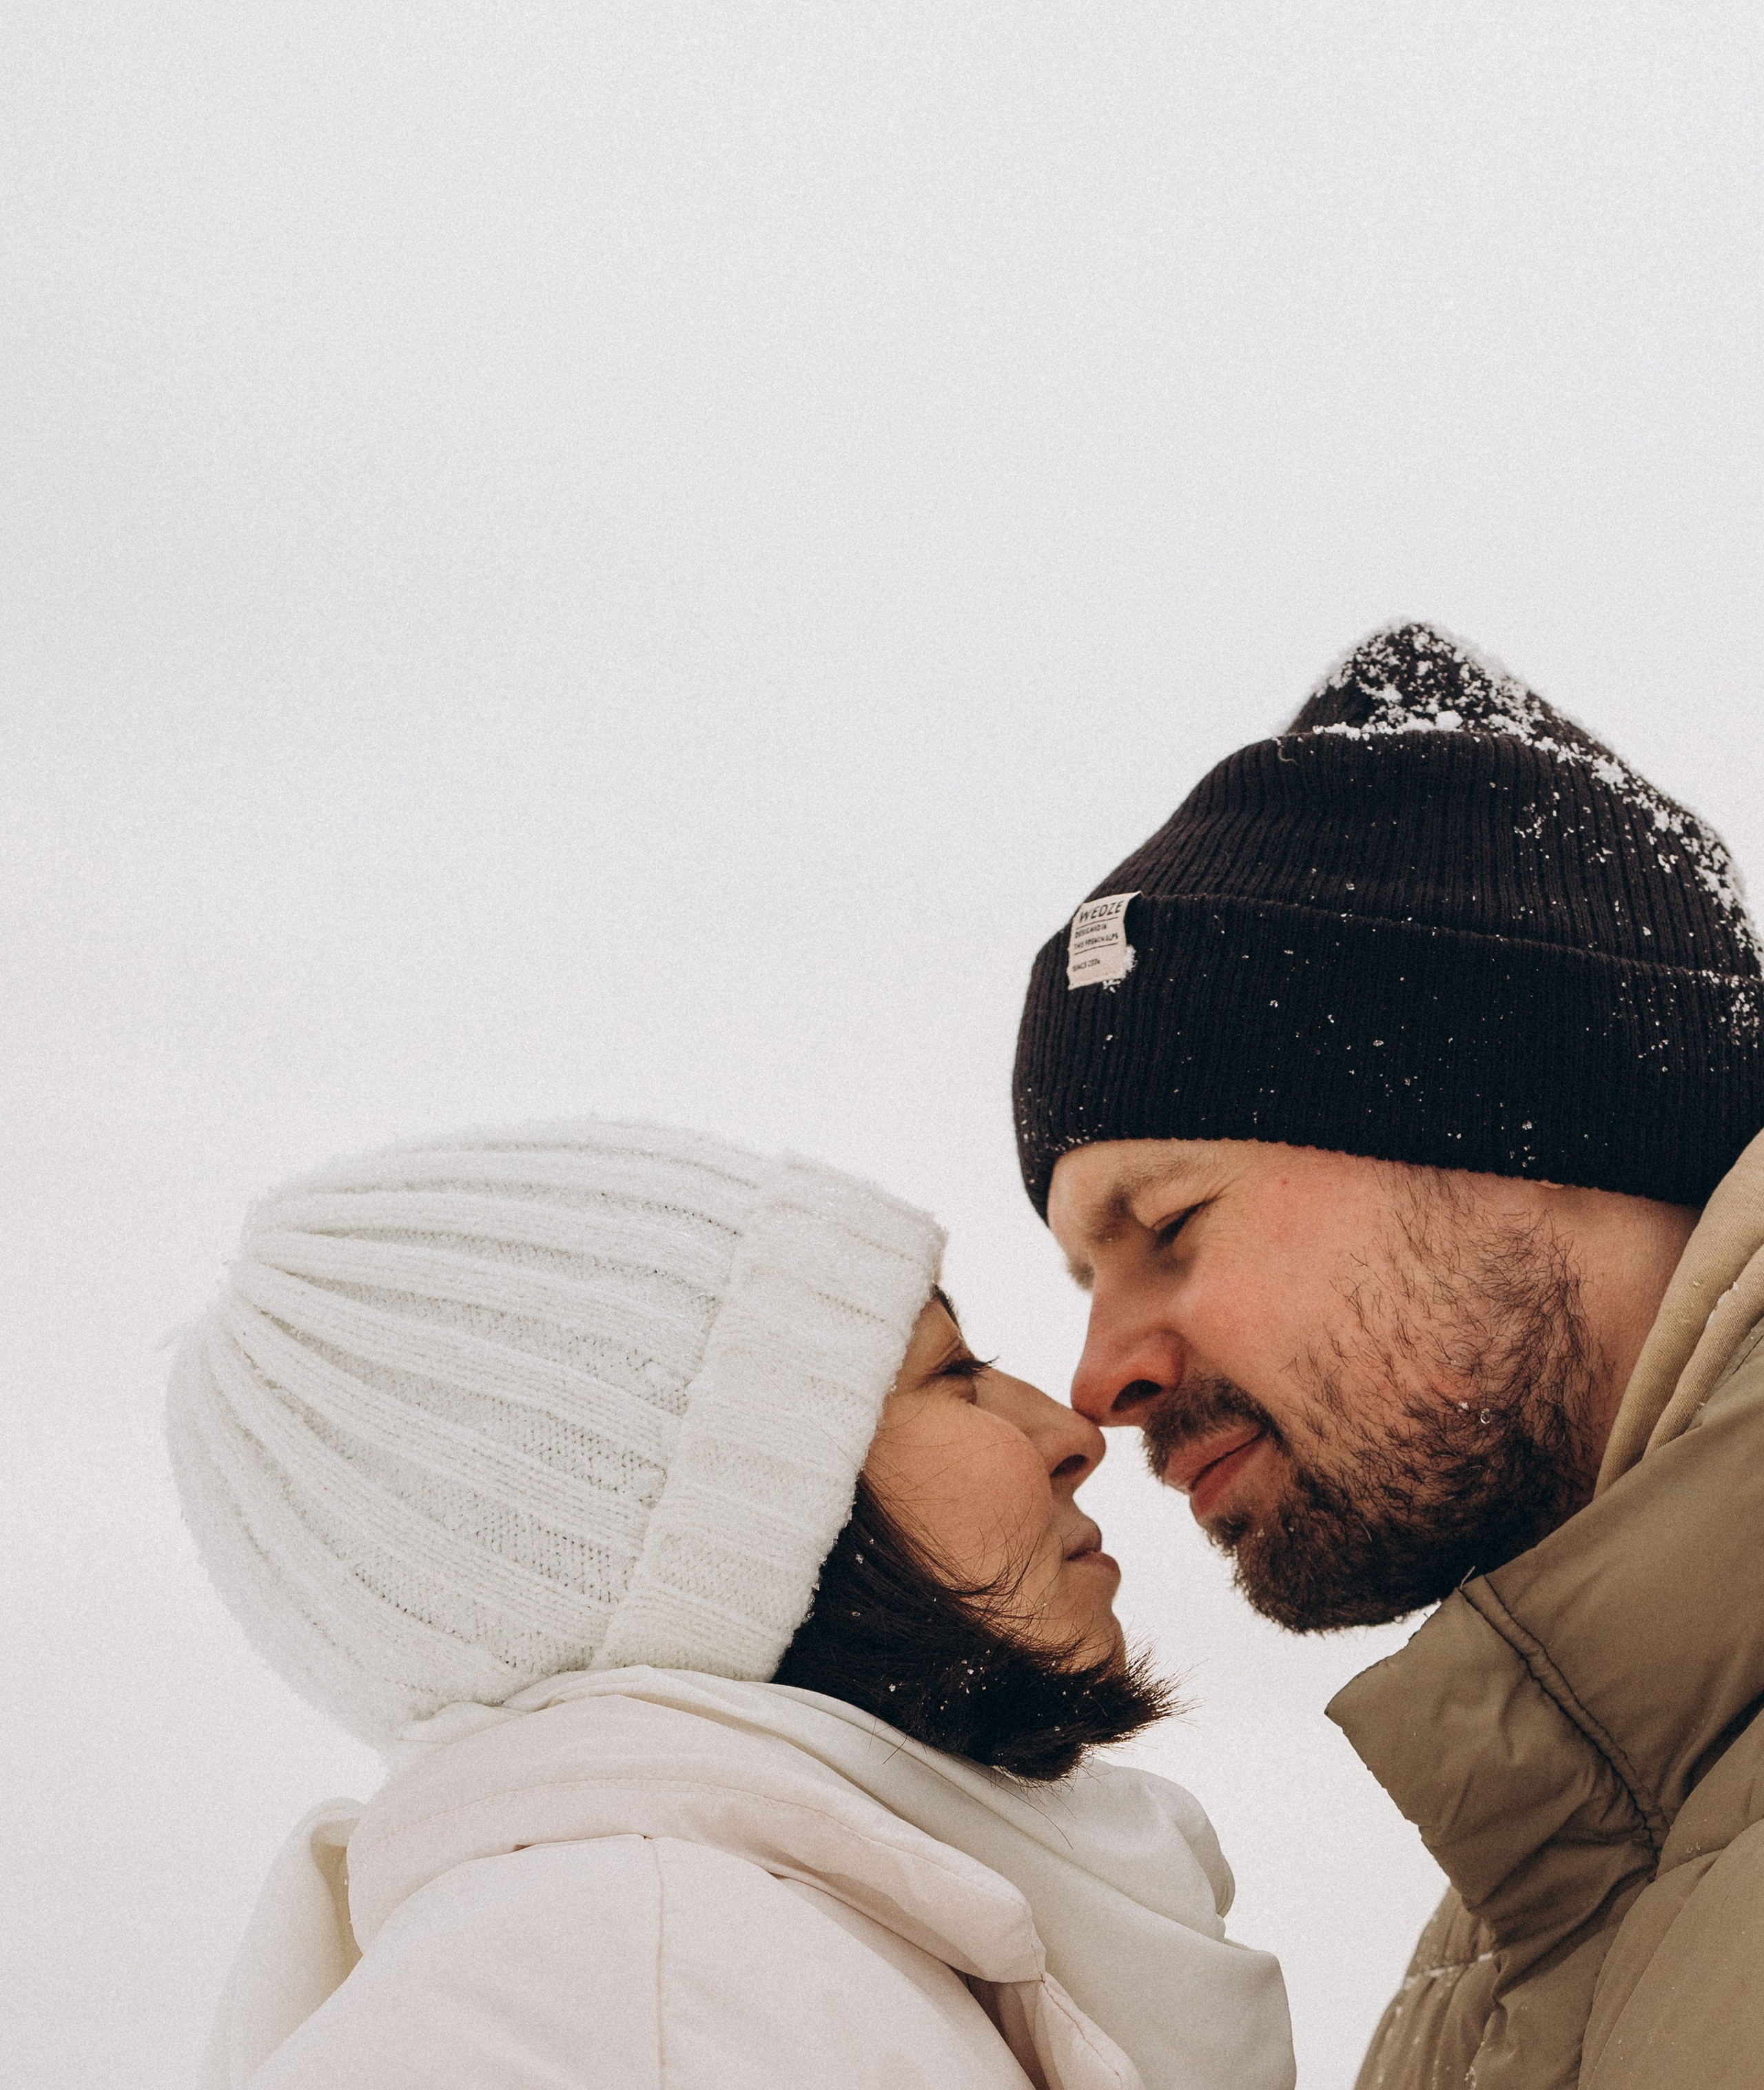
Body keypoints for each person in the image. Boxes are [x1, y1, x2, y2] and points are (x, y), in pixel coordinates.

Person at [1012, 619, 1764, 2090]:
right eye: (1080, 1276)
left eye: (1165, 1222)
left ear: (1520, 1134)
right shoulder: (1536, 1895)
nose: (1096, 1385)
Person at [167, 1119, 1294, 2089]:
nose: (1072, 1433)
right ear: (739, 1541)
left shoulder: (725, 1973)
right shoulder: (648, 2001)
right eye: (951, 1376)